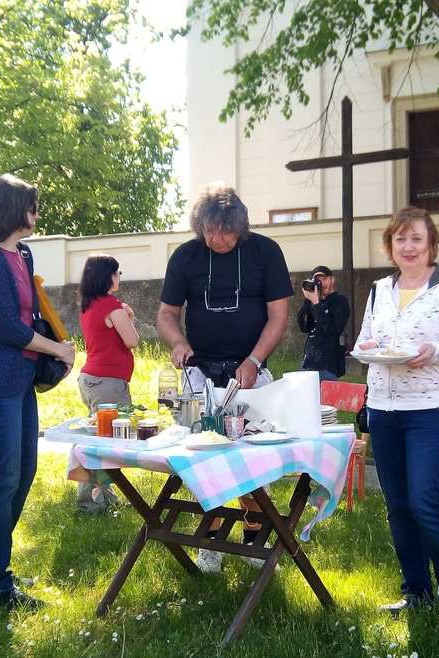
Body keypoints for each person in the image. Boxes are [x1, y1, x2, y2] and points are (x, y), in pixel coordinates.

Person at [355, 207, 439, 636]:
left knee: (426, 504)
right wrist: (371, 346)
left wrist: (437, 351)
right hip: (383, 409)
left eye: (417, 239)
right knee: (397, 507)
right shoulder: (379, 289)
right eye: (400, 239)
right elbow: (362, 344)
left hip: (428, 408)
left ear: (431, 245)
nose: (408, 247)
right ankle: (416, 591)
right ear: (390, 246)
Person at [157, 184, 293, 573]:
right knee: (204, 462)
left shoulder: (265, 253)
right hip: (199, 376)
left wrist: (253, 360)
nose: (216, 239)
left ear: (242, 228)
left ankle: (256, 543)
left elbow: (278, 316)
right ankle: (211, 542)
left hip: (251, 372)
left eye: (225, 232)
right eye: (209, 231)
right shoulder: (185, 256)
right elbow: (167, 314)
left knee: (254, 463)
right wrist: (179, 342)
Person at [0, 174, 75, 610]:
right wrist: (59, 349)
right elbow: (11, 329)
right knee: (1, 478)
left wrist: (49, 348)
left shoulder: (22, 255)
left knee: (24, 471)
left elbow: (32, 315)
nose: (36, 213)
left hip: (22, 380)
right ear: (11, 209)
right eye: (31, 206)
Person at [75, 253, 140, 512]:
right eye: (117, 272)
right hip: (109, 382)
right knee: (106, 443)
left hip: (90, 379)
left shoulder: (88, 305)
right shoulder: (113, 306)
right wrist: (129, 318)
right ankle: (92, 503)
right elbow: (132, 341)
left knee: (98, 438)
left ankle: (101, 498)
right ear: (108, 276)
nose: (119, 276)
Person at [297, 265, 350, 381]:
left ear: (332, 279)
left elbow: (332, 330)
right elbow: (304, 327)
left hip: (328, 364)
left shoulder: (340, 301)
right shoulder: (315, 302)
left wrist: (316, 304)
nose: (321, 283)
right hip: (309, 362)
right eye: (318, 281)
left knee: (326, 398)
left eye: (324, 279)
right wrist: (308, 300)